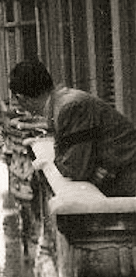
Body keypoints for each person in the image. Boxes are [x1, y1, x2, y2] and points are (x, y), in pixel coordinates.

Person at [9, 59, 136, 197]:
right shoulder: (62, 103)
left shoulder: (69, 108)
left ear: (22, 98)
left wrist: (60, 159)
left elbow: (75, 169)